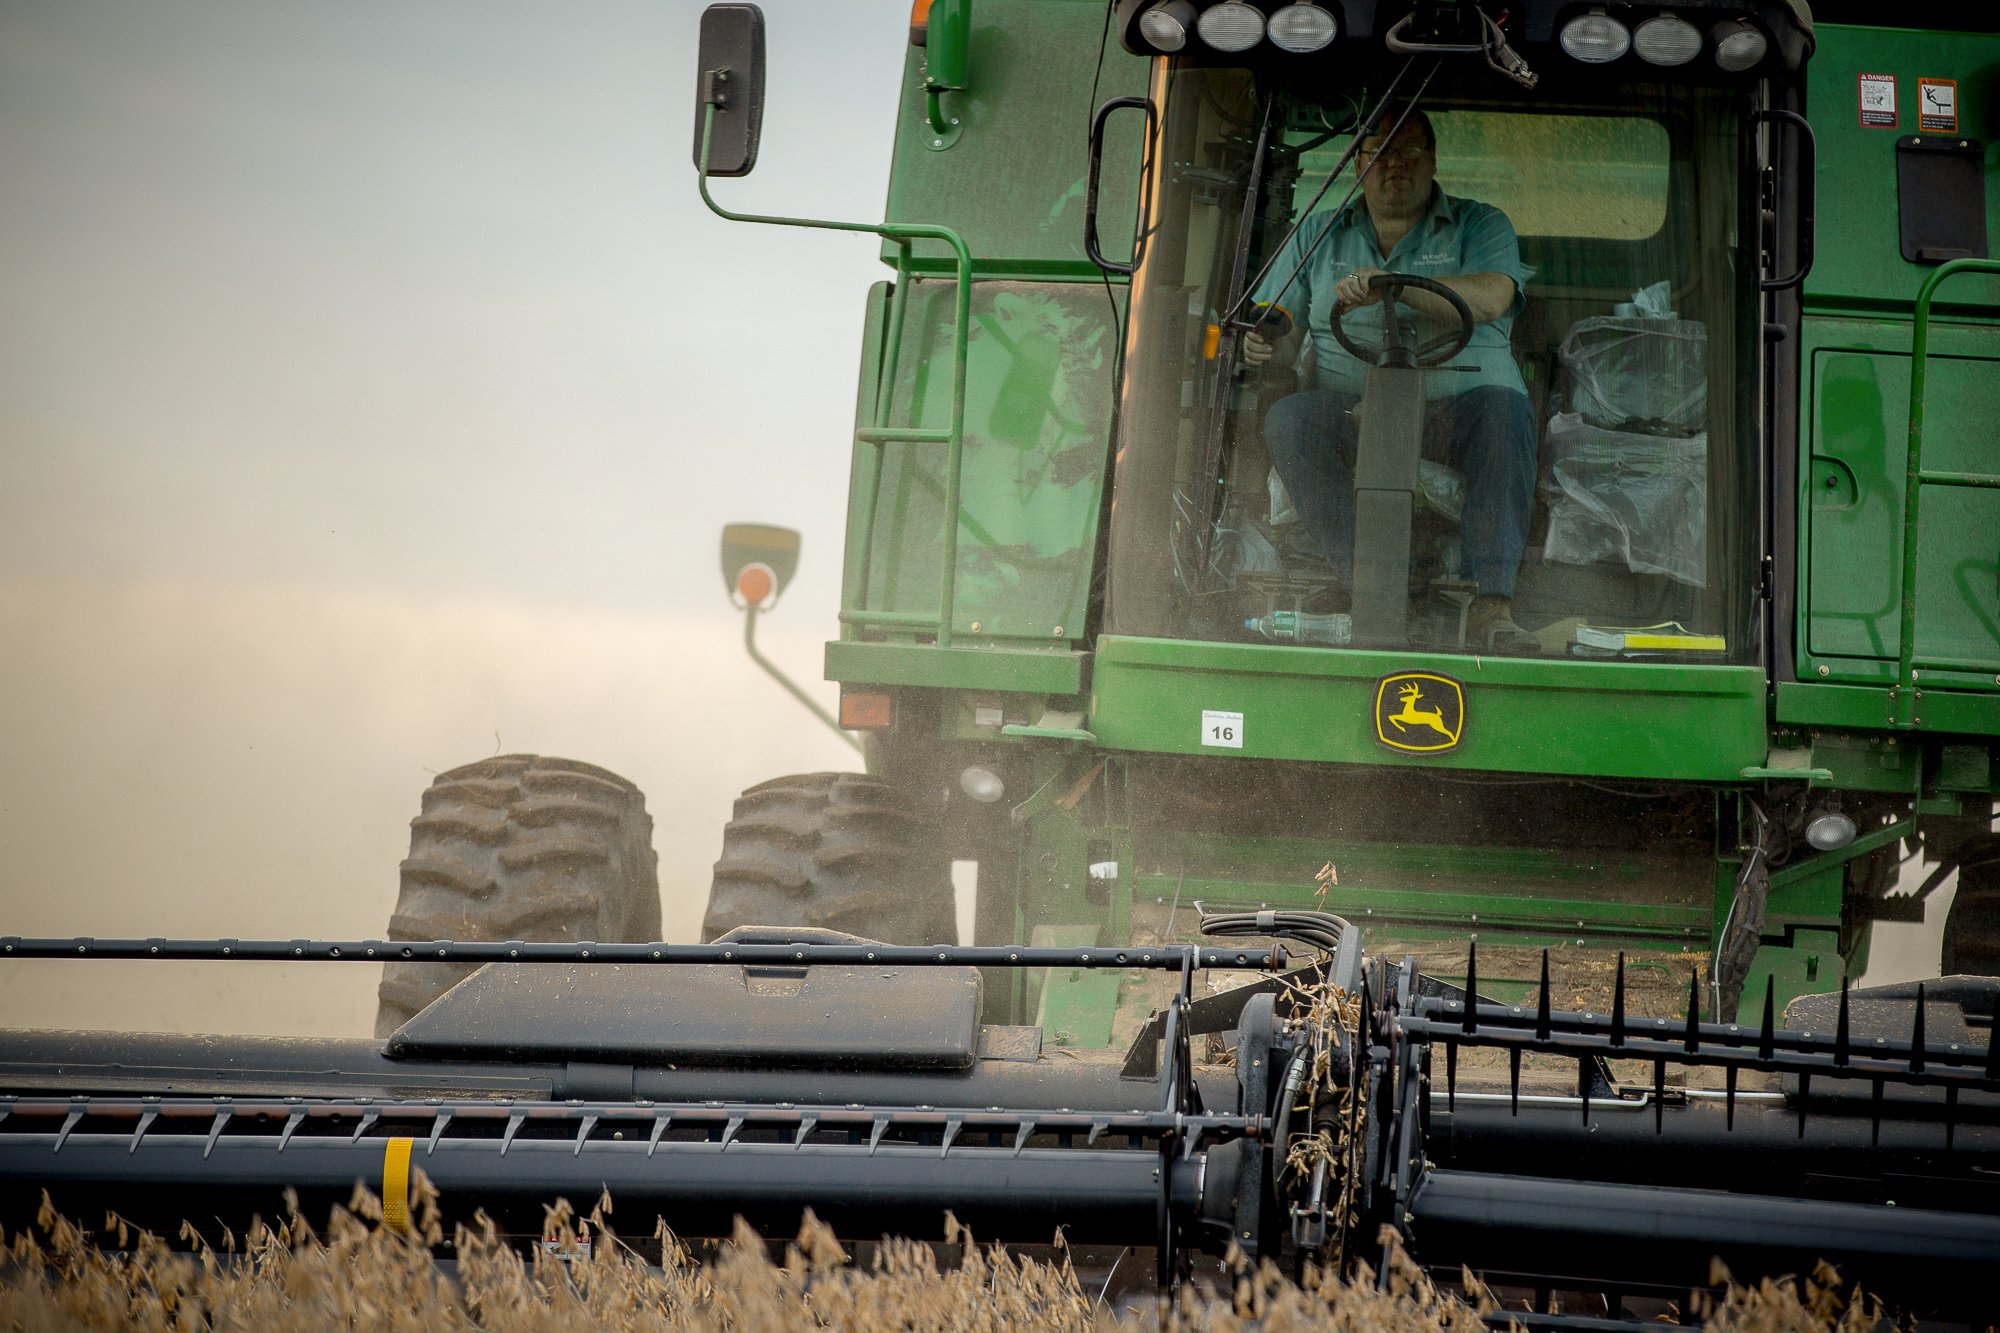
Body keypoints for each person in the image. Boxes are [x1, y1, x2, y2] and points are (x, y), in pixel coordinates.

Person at [1244, 107, 1540, 653]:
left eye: (1407, 151)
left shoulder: (1482, 224)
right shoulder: (1318, 229)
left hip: (1462, 411)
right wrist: (1263, 339)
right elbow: (1277, 319)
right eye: (1377, 151)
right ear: (1357, 163)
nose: (1392, 164)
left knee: (1508, 413)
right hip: (1356, 410)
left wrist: (1396, 285)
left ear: (1431, 161)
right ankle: (1377, 585)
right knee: (1289, 418)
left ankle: (1491, 604)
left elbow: (1493, 297)